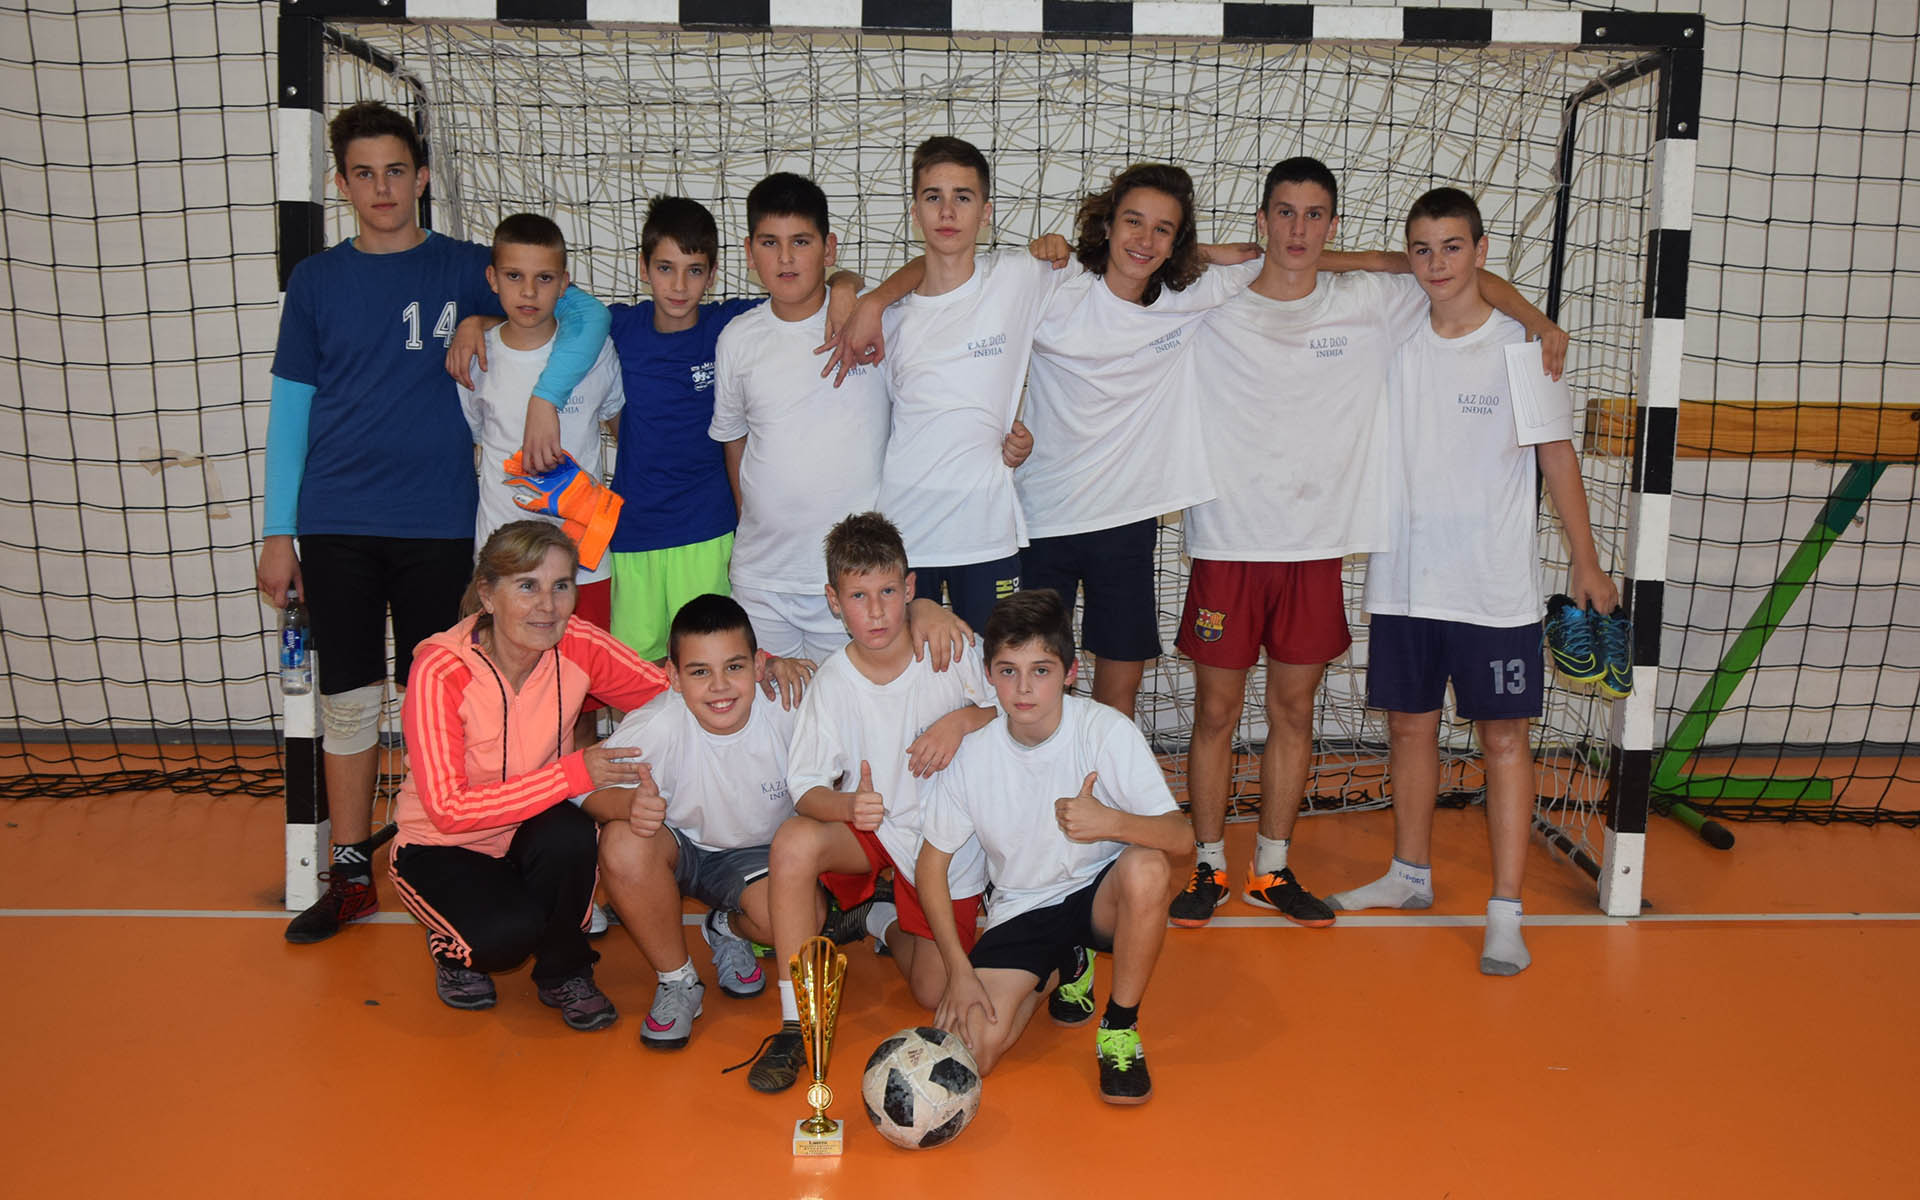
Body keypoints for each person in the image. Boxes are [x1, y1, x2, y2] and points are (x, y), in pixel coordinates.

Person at [1167, 157, 1569, 932]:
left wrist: (1541, 322)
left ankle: (1271, 869)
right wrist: (1211, 253)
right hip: (1227, 543)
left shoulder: (1371, 302)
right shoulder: (1213, 296)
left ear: (1334, 225)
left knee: (1293, 711)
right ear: (1261, 220)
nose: (1298, 229)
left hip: (1318, 549)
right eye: (1285, 213)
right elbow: (1131, 273)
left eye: (1315, 215)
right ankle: (1208, 865)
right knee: (1216, 713)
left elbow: (1456, 274)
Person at [261, 101, 611, 945]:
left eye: (396, 170)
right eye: (363, 173)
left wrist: (496, 333)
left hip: (442, 525)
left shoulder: (465, 267)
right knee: (348, 700)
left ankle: (446, 856)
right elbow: (290, 410)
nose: (381, 187)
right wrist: (278, 529)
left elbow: (581, 312)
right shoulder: (316, 282)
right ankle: (351, 871)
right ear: (341, 183)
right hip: (337, 518)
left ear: (421, 178)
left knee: (452, 703)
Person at [1328, 187, 1619, 975]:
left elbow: (1557, 455)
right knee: (1409, 728)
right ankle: (1408, 874)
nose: (1436, 264)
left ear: (1482, 251)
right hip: (1404, 581)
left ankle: (1505, 910)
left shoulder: (1523, 348)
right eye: (1422, 250)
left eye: (1453, 247)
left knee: (1504, 741)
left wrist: (1587, 561)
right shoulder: (1395, 334)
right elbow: (1363, 265)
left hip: (1493, 588)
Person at [744, 512, 997, 1092]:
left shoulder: (950, 647)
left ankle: (879, 919)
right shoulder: (834, 682)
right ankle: (795, 1019)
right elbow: (806, 788)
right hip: (871, 828)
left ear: (910, 588)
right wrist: (847, 808)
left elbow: (1019, 710)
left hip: (943, 839)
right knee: (794, 840)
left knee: (932, 990)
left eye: (887, 592)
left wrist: (963, 720)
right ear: (834, 602)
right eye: (859, 596)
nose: (876, 611)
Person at [385, 521, 667, 1030]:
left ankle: (565, 971)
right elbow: (448, 811)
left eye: (561, 586)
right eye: (527, 586)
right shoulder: (440, 670)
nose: (548, 606)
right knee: (504, 939)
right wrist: (573, 774)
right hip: (441, 845)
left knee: (572, 833)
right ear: (488, 595)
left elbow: (670, 693)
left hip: (530, 830)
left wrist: (754, 667)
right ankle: (453, 950)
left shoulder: (578, 643)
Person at [918, 590, 1190, 1104]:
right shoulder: (972, 754)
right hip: (1023, 906)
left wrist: (1111, 822)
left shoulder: (1104, 731)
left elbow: (1180, 838)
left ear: (1070, 673)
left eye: (1040, 671)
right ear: (989, 674)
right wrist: (958, 970)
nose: (1024, 688)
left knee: (1148, 867)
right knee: (970, 1053)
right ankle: (1064, 963)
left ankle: (1119, 1028)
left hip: (1098, 896)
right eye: (1008, 671)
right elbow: (931, 867)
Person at [823, 137, 1052, 632]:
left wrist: (1061, 246)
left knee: (997, 668)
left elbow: (1116, 272)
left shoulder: (1019, 277)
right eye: (933, 197)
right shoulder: (889, 320)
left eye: (962, 197)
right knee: (908, 672)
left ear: (985, 212)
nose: (947, 212)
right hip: (908, 535)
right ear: (915, 212)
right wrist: (853, 289)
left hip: (987, 533)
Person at [583, 594, 796, 1048]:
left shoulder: (789, 708)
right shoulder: (657, 723)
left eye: (734, 667)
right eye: (700, 672)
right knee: (623, 840)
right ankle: (677, 980)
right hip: (679, 847)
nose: (719, 686)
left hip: (758, 855)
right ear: (674, 677)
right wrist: (627, 804)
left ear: (760, 665)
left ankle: (726, 927)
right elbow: (586, 791)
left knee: (798, 919)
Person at [708, 172, 894, 662]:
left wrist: (849, 285)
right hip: (763, 579)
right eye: (770, 243)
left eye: (801, 242)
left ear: (829, 248)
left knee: (850, 709)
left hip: (855, 579)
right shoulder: (737, 339)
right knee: (769, 708)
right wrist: (752, 521)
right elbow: (733, 441)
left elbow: (923, 272)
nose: (786, 258)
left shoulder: (871, 320)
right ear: (750, 253)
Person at [459, 213, 624, 632]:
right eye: (514, 276)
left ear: (565, 283)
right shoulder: (479, 357)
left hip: (584, 563)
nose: (529, 291)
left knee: (585, 671)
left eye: (545, 278)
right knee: (505, 671)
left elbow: (621, 428)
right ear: (492, 279)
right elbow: (479, 439)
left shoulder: (596, 352)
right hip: (505, 561)